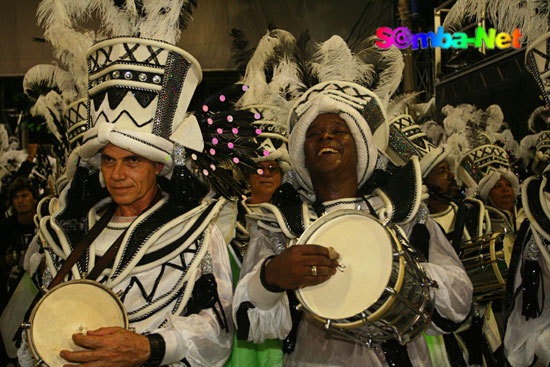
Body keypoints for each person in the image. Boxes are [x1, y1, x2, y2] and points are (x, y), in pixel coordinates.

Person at [17, 34, 234, 367]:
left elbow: (217, 333)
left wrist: (149, 347)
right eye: (108, 160)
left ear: (158, 166)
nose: (116, 174)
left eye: (132, 160)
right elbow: (39, 321)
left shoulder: (197, 235)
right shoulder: (65, 232)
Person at [233, 81, 472, 367]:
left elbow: (460, 301)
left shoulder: (401, 215)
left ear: (361, 147)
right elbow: (248, 324)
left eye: (338, 132)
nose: (325, 138)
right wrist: (271, 278)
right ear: (302, 155)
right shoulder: (281, 226)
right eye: (313, 134)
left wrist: (393, 272)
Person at [0, 178, 38, 301]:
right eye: (16, 197)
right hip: (11, 289)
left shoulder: (44, 224)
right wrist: (6, 261)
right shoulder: (5, 228)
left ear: (34, 198)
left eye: (24, 196)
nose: (20, 201)